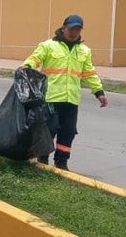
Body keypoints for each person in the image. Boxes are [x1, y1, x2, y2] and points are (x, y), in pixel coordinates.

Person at [23, 14, 108, 171]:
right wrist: (27, 66)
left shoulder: (84, 50)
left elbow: (89, 73)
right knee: (50, 128)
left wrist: (99, 91)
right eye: (71, 28)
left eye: (78, 29)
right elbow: (35, 58)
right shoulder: (48, 45)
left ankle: (61, 163)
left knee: (68, 131)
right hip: (51, 97)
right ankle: (43, 157)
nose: (74, 32)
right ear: (63, 28)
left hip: (71, 99)